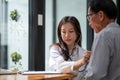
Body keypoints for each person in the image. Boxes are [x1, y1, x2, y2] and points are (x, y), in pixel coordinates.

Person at [84, 0, 120, 80]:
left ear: (100, 15)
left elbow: (95, 75)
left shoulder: (103, 36)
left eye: (89, 17)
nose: (89, 23)